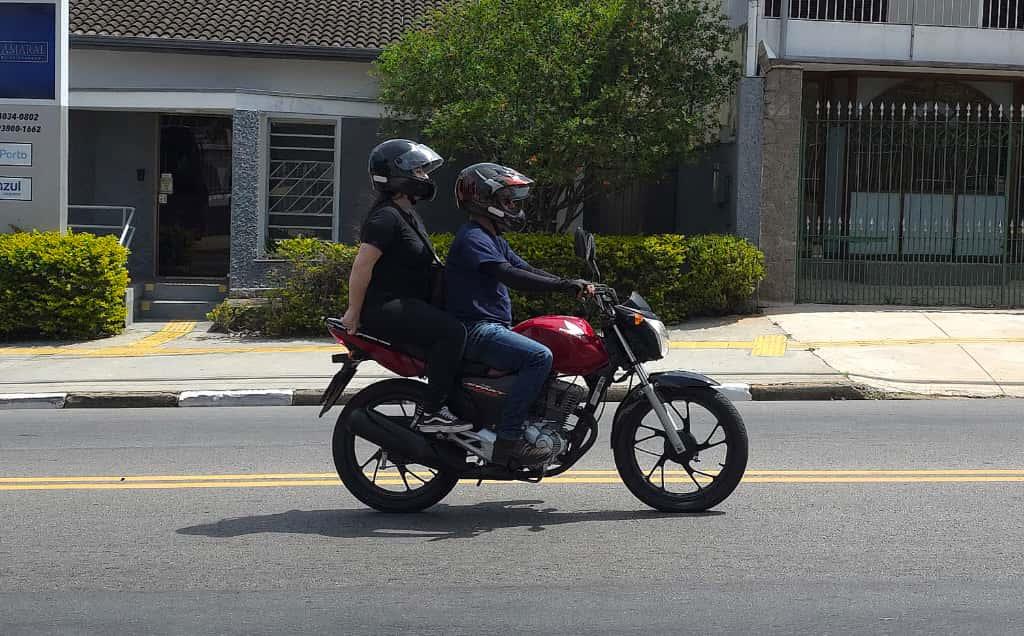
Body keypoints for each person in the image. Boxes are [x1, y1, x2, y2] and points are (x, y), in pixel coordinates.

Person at [446, 163, 593, 466]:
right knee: (539, 357)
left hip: (491, 327)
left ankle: (532, 422)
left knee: (551, 349)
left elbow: (525, 269)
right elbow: (508, 274)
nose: (513, 207)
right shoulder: (473, 237)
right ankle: (510, 440)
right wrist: (565, 286)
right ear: (485, 199)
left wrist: (574, 285)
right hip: (476, 330)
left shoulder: (493, 238)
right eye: (508, 200)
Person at [341, 139, 471, 433]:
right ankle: (433, 411)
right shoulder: (385, 217)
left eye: (425, 171)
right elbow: (362, 267)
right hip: (386, 306)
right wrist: (353, 311)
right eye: (419, 171)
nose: (425, 177)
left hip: (408, 302)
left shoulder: (406, 214)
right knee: (452, 333)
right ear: (398, 176)